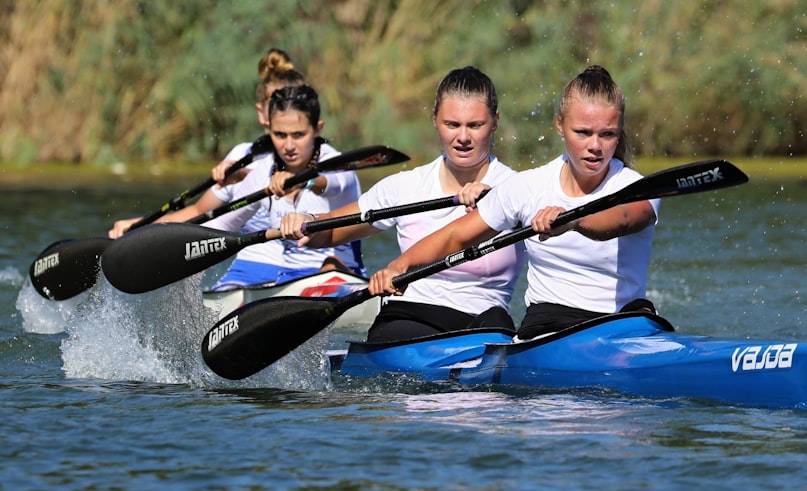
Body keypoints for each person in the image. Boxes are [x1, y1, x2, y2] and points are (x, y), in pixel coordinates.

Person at [367, 65, 660, 341]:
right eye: (582, 132)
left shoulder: (636, 186)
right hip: (547, 325)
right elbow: (455, 236)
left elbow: (623, 219)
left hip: (619, 321)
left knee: (642, 312)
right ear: (560, 125)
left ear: (619, 132)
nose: (594, 146)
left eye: (607, 134)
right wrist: (400, 265)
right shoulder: (526, 187)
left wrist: (572, 220)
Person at [281, 66, 524, 342]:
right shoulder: (406, 186)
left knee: (498, 324)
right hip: (410, 315)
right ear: (434, 119)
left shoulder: (517, 188)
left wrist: (500, 202)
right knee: (391, 333)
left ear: (495, 122)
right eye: (452, 125)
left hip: (483, 319)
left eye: (475, 125)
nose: (463, 137)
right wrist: (306, 223)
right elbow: (332, 230)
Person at [107, 48, 308, 238]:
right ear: (261, 112)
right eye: (277, 104)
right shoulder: (242, 155)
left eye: (295, 105)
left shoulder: (319, 154)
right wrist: (139, 228)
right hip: (249, 265)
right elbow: (198, 212)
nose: (286, 113)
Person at [202, 84, 364, 289]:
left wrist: (306, 181)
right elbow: (220, 226)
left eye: (298, 135)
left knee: (329, 267)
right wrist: (176, 245)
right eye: (280, 135)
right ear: (269, 131)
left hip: (340, 275)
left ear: (317, 129)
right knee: (231, 288)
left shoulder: (337, 165)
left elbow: (334, 184)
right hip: (288, 280)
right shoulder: (263, 172)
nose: (288, 146)